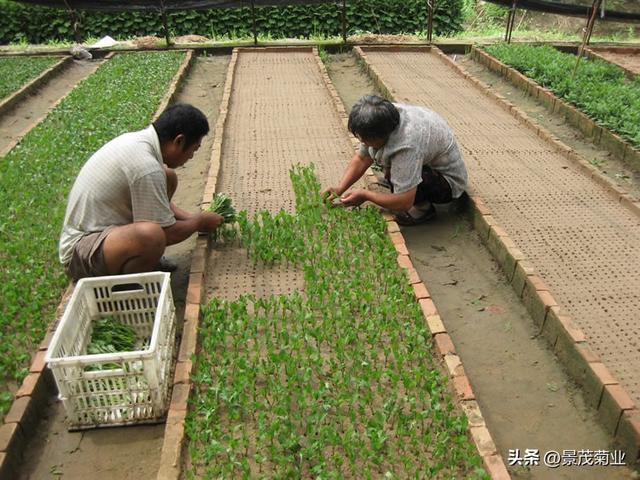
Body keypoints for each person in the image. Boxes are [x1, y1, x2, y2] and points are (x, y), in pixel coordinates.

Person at [59, 102, 224, 281]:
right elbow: (167, 233)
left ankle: (144, 262)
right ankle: (127, 289)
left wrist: (194, 217)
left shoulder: (140, 142)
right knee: (152, 236)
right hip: (81, 253)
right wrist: (199, 222)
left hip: (106, 234)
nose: (191, 156)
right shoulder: (146, 167)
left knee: (167, 176)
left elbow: (159, 206)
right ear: (179, 141)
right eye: (193, 150)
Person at [324, 95, 468, 225]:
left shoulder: (407, 144)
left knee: (399, 183)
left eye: (366, 140)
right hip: (427, 160)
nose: (363, 143)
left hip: (448, 183)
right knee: (394, 172)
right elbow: (362, 158)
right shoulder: (384, 118)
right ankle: (400, 181)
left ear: (379, 136)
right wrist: (339, 188)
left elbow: (404, 202)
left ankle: (423, 210)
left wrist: (366, 195)